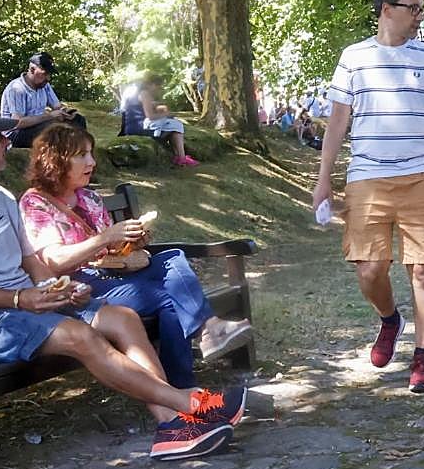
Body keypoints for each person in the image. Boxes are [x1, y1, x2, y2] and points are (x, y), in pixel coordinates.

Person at [0, 105, 244, 461]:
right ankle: (191, 403)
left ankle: (170, 425)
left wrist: (60, 288)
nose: (8, 142)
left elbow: (30, 261)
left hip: (30, 301)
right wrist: (21, 299)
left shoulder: (1, 197)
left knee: (123, 318)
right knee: (80, 336)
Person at [312, 0, 424, 393]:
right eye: (413, 8)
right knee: (369, 269)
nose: (420, 16)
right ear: (387, 9)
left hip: (422, 176)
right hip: (367, 178)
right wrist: (324, 179)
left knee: (423, 268)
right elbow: (336, 125)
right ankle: (389, 319)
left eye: (422, 8)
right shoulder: (353, 58)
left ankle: (423, 358)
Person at [18, 123, 253, 388]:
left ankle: (205, 337)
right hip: (77, 289)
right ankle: (186, 378)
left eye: (91, 153)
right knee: (170, 300)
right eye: (82, 155)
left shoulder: (89, 198)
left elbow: (111, 253)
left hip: (110, 274)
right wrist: (106, 237)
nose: (91, 162)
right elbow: (53, 261)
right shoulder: (35, 202)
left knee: (173, 257)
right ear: (56, 160)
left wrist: (132, 242)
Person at [0, 52, 86, 148]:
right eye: (45, 74)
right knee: (53, 129)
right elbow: (17, 123)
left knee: (78, 120)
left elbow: (57, 106)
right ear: (32, 70)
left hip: (37, 125)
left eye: (49, 74)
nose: (48, 78)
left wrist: (65, 113)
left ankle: (80, 150)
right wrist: (50, 116)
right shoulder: (16, 88)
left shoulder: (44, 85)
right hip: (15, 134)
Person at [119, 74, 199, 167]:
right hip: (139, 127)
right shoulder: (145, 94)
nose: (159, 89)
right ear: (151, 85)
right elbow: (150, 116)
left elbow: (144, 107)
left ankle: (180, 156)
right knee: (177, 125)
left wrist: (157, 106)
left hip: (131, 126)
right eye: (158, 86)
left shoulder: (137, 93)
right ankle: (181, 157)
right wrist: (166, 114)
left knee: (172, 125)